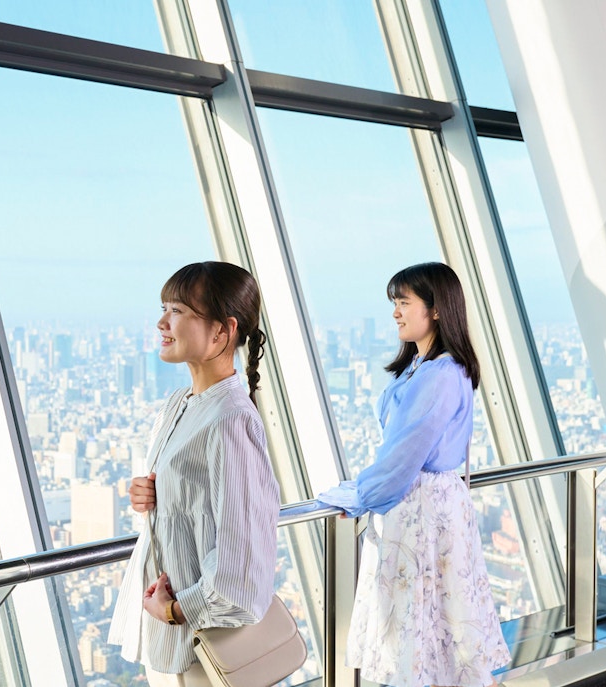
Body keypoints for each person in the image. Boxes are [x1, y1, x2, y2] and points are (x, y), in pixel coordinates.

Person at [318, 262, 511, 687]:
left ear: (436, 309)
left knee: (420, 622)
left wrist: (359, 495)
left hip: (423, 509)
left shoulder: (439, 375)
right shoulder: (428, 367)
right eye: (395, 303)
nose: (395, 312)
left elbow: (404, 455)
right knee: (440, 624)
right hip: (431, 506)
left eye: (404, 302)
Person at [108, 261, 281, 687]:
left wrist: (172, 610)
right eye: (165, 307)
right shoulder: (180, 403)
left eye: (179, 311)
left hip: (202, 645)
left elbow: (241, 563)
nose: (162, 321)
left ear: (223, 331)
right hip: (175, 640)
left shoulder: (228, 420)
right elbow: (193, 502)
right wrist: (148, 494)